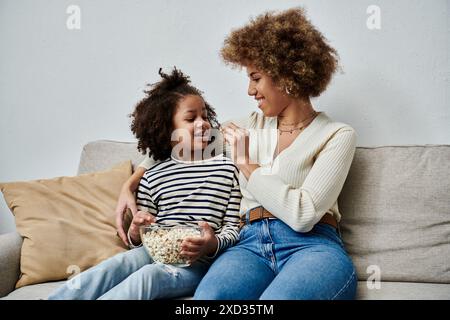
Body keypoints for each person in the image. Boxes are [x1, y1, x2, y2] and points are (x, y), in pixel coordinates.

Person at [116, 7, 358, 300]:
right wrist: (131, 183)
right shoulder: (247, 127)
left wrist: (246, 164)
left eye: (256, 78)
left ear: (286, 74)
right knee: (208, 300)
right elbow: (180, 141)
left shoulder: (336, 135)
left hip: (312, 245)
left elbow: (303, 214)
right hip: (249, 245)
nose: (249, 90)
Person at [48, 68, 241, 300]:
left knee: (148, 276)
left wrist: (212, 244)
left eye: (205, 116)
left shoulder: (226, 170)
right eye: (191, 118)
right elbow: (141, 237)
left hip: (193, 265)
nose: (202, 123)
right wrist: (137, 231)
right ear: (168, 128)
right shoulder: (153, 175)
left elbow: (233, 227)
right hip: (152, 252)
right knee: (117, 263)